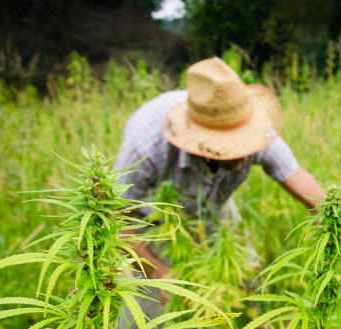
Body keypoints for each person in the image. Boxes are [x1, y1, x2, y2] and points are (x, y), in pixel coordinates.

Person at [114, 56, 325, 286]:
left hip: (215, 205)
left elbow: (317, 199)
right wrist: (158, 273)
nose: (246, 156)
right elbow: (116, 224)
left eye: (247, 143)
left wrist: (328, 256)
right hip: (154, 220)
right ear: (199, 141)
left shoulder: (255, 128)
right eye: (231, 147)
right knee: (158, 311)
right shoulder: (146, 146)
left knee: (249, 280)